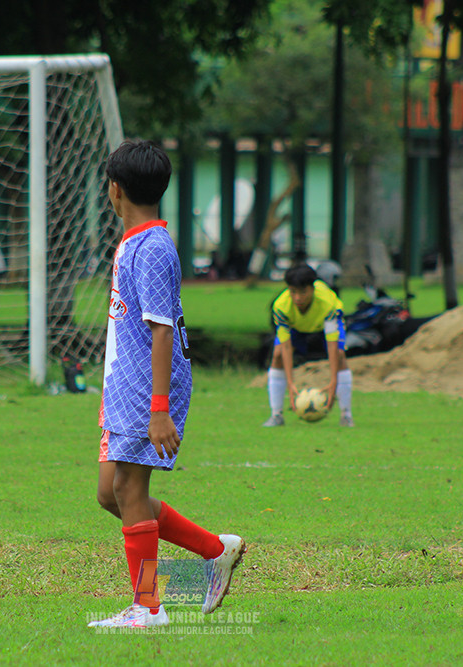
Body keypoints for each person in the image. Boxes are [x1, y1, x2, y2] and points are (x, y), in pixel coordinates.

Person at [88, 140, 245, 630]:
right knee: (111, 494)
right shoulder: (136, 241)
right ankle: (215, 550)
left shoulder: (153, 248)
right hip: (127, 385)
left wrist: (159, 409)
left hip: (146, 391)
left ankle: (148, 607)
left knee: (129, 488)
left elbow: (161, 331)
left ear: (115, 190)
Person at [263, 262, 354, 427]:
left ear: (313, 288)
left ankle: (346, 415)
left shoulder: (328, 304)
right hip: (296, 326)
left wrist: (333, 383)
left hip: (323, 326)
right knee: (277, 355)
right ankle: (276, 415)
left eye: (303, 292)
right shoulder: (281, 307)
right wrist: (290, 383)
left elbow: (332, 345)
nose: (297, 298)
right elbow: (286, 347)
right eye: (293, 292)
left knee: (340, 355)